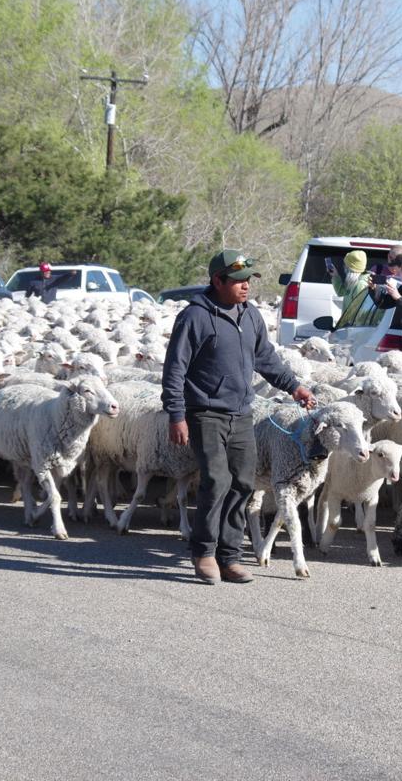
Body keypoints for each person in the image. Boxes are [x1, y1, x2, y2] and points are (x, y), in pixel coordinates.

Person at [161, 249, 317, 585]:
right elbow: (175, 369)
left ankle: (229, 556)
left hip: (241, 413)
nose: (246, 287)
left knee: (243, 483)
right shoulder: (195, 317)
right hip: (204, 413)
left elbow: (266, 358)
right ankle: (203, 552)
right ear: (218, 281)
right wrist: (176, 414)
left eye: (248, 280)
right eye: (238, 281)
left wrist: (295, 387)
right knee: (216, 480)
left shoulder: (251, 316)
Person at [330, 249, 381, 329]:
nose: (344, 267)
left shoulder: (360, 285)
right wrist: (335, 276)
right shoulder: (354, 281)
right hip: (348, 327)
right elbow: (341, 292)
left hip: (352, 329)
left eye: (346, 265)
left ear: (351, 268)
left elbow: (360, 313)